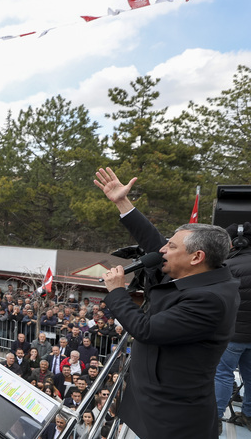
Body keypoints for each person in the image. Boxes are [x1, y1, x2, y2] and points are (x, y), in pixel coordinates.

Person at [94, 167, 240, 438]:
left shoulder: (210, 300)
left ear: (196, 257)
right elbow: (153, 242)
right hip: (152, 398)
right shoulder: (201, 275)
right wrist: (122, 202)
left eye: (172, 247)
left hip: (172, 415)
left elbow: (146, 329)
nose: (162, 250)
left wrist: (117, 292)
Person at [215, 222, 251, 428]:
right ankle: (248, 415)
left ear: (237, 242)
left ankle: (215, 418)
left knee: (223, 374)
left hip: (233, 335)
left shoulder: (228, 267)